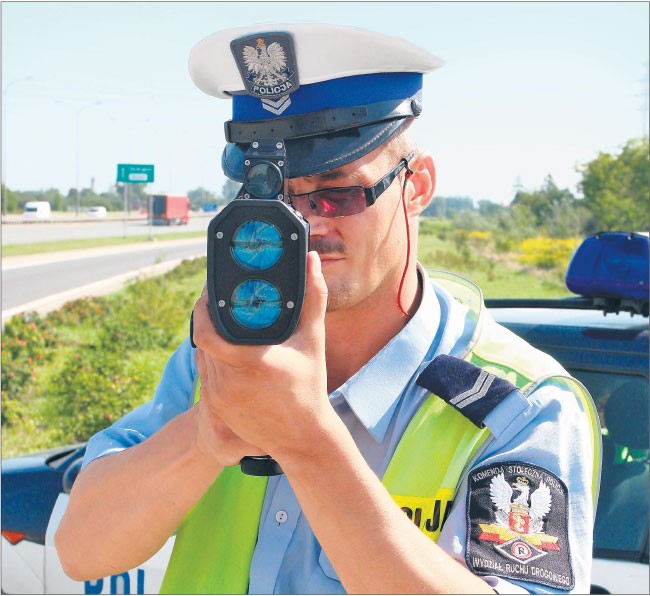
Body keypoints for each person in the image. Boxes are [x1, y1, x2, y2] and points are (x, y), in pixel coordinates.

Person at [55, 23, 601, 594]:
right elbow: (82, 549)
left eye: (334, 193)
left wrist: (308, 443)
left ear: (417, 187)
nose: (304, 226)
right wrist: (209, 431)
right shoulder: (218, 362)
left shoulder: (518, 407)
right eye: (272, 199)